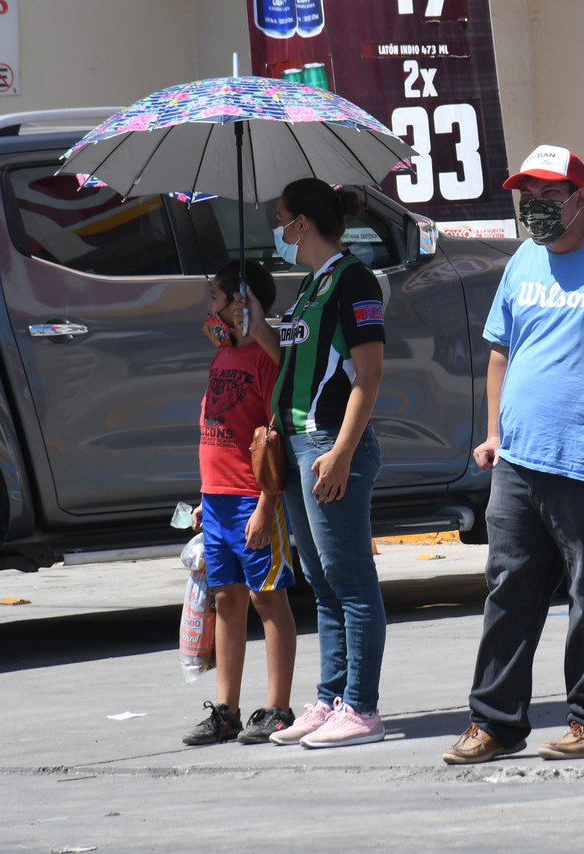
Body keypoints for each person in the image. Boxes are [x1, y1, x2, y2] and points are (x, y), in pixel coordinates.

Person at [442, 145, 584, 765]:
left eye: (548, 196)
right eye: (526, 198)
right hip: (518, 458)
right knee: (508, 590)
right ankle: (495, 723)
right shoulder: (524, 261)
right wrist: (493, 434)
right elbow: (502, 352)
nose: (535, 209)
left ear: (581, 197)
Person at [245, 179, 388, 749]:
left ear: (302, 222)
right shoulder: (311, 285)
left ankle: (363, 708)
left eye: (281, 219)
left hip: (331, 447)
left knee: (351, 580)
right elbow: (297, 363)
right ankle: (331, 700)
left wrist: (342, 453)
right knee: (324, 584)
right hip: (303, 445)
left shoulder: (354, 279)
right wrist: (256, 321)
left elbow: (369, 373)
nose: (276, 230)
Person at [183, 260, 298, 746]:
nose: (209, 304)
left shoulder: (264, 358)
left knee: (266, 597)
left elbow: (273, 438)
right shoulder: (223, 354)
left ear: (240, 301)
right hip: (216, 499)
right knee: (226, 599)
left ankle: (278, 707)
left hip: (252, 499)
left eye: (215, 296)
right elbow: (215, 432)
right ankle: (225, 709)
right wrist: (203, 499)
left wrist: (265, 505)